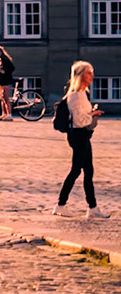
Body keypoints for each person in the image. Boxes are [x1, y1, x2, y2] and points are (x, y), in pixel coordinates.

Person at [55, 60, 105, 219]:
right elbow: (80, 120)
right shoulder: (76, 96)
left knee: (88, 171)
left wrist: (91, 113)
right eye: (89, 73)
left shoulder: (82, 93)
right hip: (78, 135)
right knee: (76, 170)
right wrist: (93, 114)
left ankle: (92, 207)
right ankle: (60, 205)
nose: (92, 76)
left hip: (82, 135)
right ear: (81, 75)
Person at [0, 46, 17, 121]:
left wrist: (4, 71)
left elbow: (11, 68)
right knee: (2, 98)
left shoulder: (5, 60)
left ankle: (9, 114)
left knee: (6, 98)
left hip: (6, 79)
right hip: (1, 80)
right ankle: (4, 114)